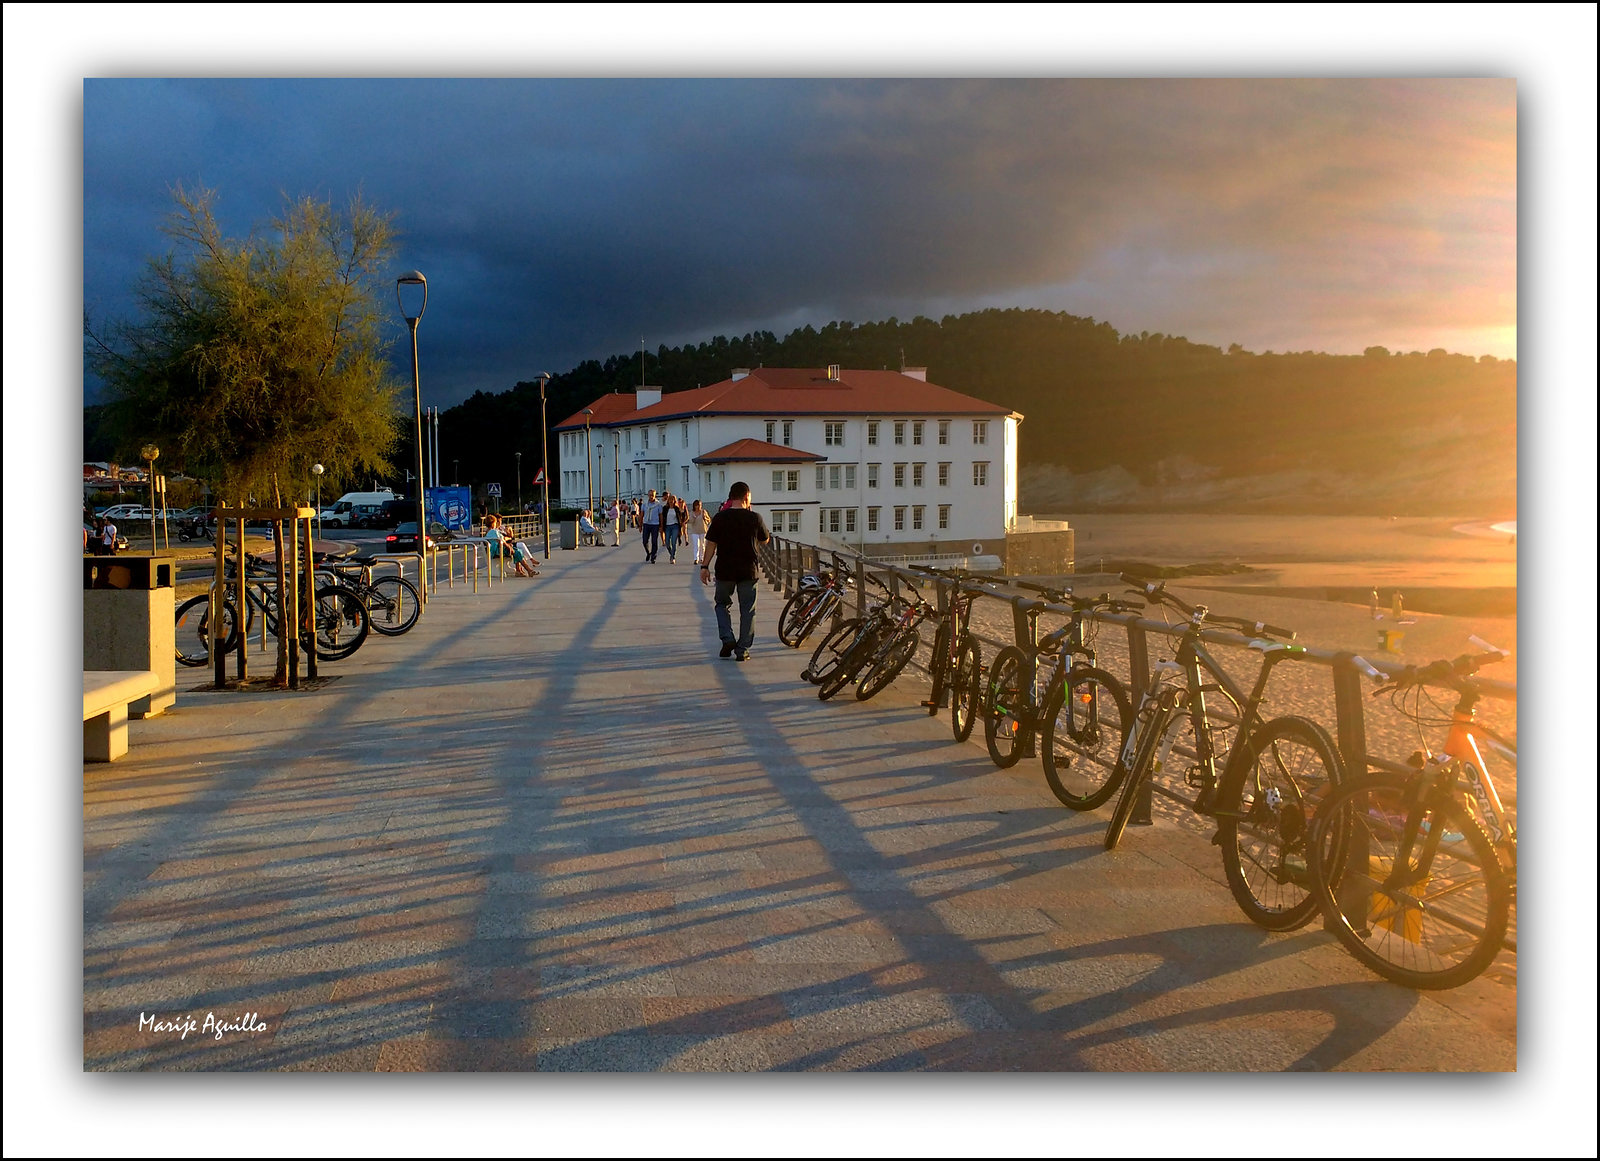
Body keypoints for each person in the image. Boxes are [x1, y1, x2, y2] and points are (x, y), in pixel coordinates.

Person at [700, 481, 771, 661]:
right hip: (748, 571)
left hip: (725, 570)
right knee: (748, 610)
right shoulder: (755, 518)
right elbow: (765, 540)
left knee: (722, 605)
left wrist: (704, 566)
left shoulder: (720, 518)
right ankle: (743, 649)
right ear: (747, 497)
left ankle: (727, 638)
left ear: (731, 498)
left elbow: (711, 544)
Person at [685, 499, 711, 566]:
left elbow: (708, 520)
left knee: (702, 545)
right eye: (697, 505)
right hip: (695, 531)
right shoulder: (692, 513)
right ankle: (695, 558)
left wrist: (705, 518)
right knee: (696, 545)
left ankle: (701, 558)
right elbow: (690, 521)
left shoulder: (703, 512)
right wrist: (693, 518)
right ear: (695, 506)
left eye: (700, 505)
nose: (698, 507)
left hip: (703, 530)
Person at [641, 489, 663, 563]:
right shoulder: (645, 504)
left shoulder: (658, 504)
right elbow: (641, 515)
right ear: (648, 495)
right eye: (650, 495)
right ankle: (648, 553)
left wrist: (661, 526)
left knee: (654, 541)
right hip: (646, 524)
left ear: (655, 496)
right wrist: (640, 525)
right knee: (644, 541)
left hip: (655, 524)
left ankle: (653, 556)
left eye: (652, 495)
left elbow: (660, 515)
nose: (651, 497)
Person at [661, 491, 682, 562]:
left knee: (673, 542)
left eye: (672, 500)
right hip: (667, 526)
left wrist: (681, 528)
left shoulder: (676, 509)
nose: (671, 501)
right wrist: (661, 526)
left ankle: (672, 557)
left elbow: (680, 518)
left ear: (674, 501)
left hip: (675, 526)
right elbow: (662, 517)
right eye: (669, 500)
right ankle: (671, 553)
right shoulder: (665, 508)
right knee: (667, 542)